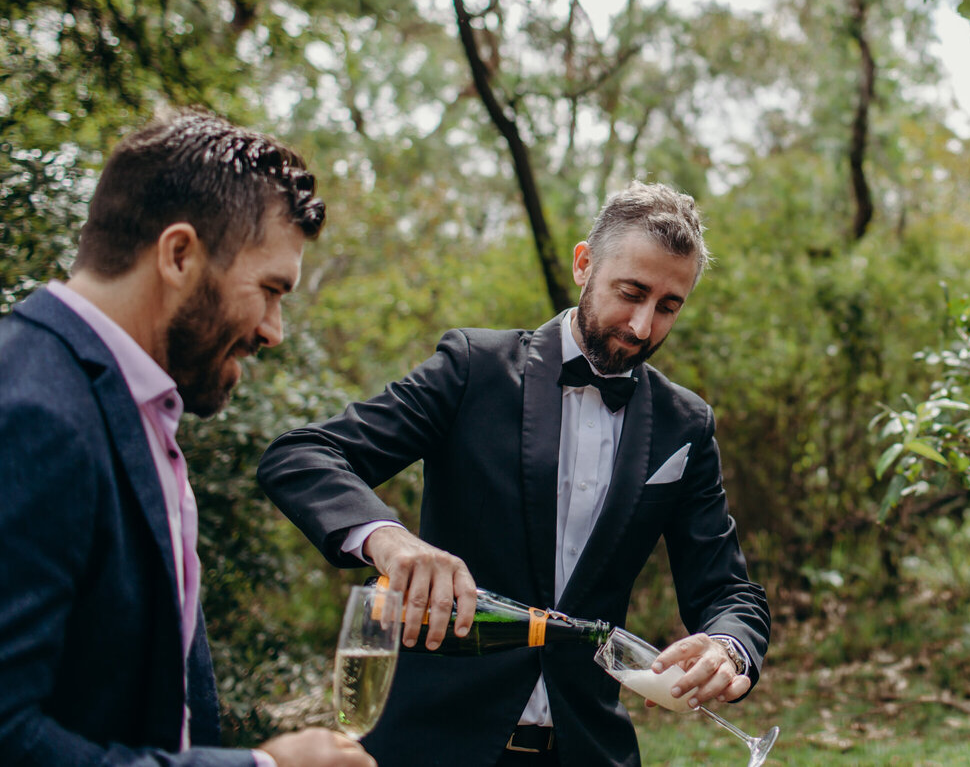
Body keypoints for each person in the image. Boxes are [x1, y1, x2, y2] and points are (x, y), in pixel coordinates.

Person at [258, 181, 771, 767]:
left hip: (587, 751)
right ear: (584, 264)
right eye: (630, 293)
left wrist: (729, 648)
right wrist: (388, 540)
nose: (641, 325)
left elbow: (727, 590)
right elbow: (302, 454)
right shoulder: (472, 370)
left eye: (668, 306)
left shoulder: (686, 423)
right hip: (433, 744)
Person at [0, 112, 373, 767]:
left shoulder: (133, 400)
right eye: (270, 289)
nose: (273, 330)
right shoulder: (33, 410)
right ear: (179, 255)